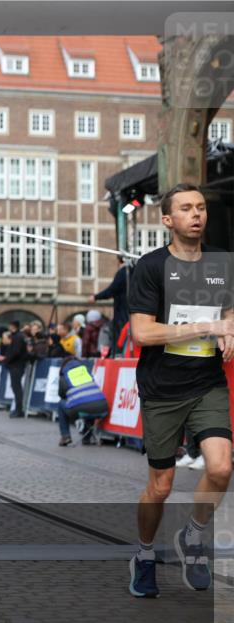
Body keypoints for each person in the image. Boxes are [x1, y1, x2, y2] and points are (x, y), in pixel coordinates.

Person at [125, 183, 233, 598]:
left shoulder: (221, 263)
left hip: (207, 383)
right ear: (168, 219)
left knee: (221, 468)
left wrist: (229, 328)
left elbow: (229, 311)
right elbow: (141, 332)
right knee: (161, 486)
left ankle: (193, 535)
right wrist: (206, 326)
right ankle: (144, 553)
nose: (196, 214)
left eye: (201, 207)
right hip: (163, 387)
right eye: (186, 208)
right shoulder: (151, 267)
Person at [55, 357, 109, 446]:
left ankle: (65, 436)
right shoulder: (86, 371)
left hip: (82, 408)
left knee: (61, 404)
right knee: (89, 404)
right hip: (102, 407)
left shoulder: (64, 375)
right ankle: (86, 438)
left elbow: (61, 395)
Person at [90, 255, 130, 352]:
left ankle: (119, 353)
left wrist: (95, 297)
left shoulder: (123, 273)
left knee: (121, 337)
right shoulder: (135, 272)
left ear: (119, 262)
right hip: (131, 311)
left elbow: (111, 290)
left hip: (122, 313)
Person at [3, 320, 29, 418]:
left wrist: (7, 360)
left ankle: (19, 410)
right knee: (15, 387)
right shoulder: (18, 336)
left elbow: (16, 351)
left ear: (13, 326)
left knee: (16, 387)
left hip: (16, 365)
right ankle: (18, 409)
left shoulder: (18, 337)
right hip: (16, 365)